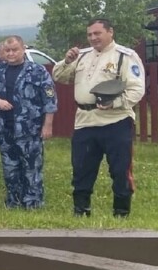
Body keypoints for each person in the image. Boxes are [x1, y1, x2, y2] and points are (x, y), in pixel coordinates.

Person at [51, 18, 146, 218]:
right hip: (85, 120)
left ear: (110, 32)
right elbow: (59, 76)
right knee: (82, 169)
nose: (93, 38)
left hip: (116, 121)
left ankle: (121, 212)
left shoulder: (125, 56)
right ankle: (81, 210)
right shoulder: (82, 56)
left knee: (120, 170)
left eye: (97, 33)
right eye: (90, 35)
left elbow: (137, 89)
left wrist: (116, 103)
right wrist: (67, 61)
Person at [0, 36, 57, 209]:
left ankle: (33, 203)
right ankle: (13, 201)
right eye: (7, 50)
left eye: (15, 50)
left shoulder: (38, 71)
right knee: (10, 167)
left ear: (23, 49)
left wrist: (48, 125)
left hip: (30, 129)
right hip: (4, 128)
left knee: (31, 167)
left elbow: (50, 100)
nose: (11, 53)